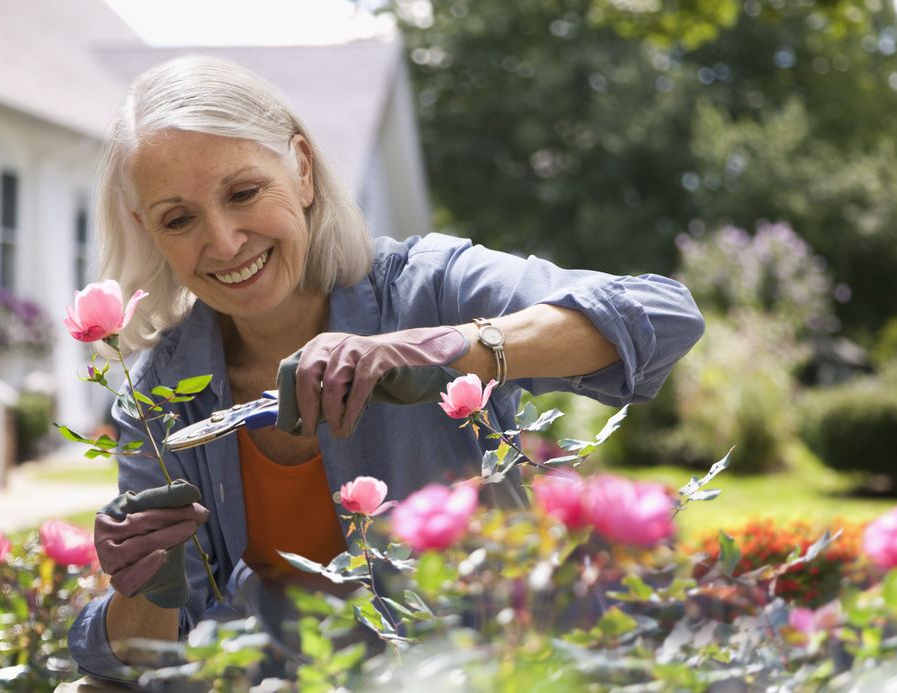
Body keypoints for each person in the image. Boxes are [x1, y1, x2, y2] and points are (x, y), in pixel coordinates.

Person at [64, 55, 705, 686]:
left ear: (303, 171)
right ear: (149, 230)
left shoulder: (429, 288)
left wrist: (454, 349)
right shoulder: (160, 399)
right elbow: (152, 653)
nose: (226, 241)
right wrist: (145, 581)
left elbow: (663, 315)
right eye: (180, 219)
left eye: (244, 193)